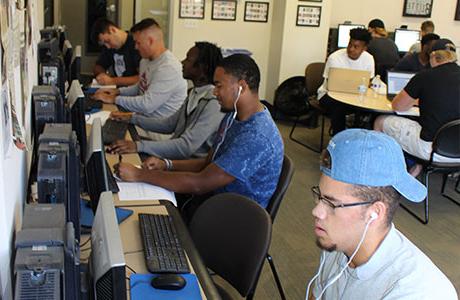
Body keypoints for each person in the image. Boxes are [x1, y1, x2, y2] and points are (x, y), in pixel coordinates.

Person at [113, 54, 284, 209]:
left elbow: (200, 183)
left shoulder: (256, 136)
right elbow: (208, 163)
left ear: (242, 87)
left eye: (219, 86)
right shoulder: (233, 116)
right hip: (214, 198)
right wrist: (166, 164)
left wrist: (139, 174)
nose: (214, 92)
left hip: (233, 216)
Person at [306, 129, 457, 300]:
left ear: (375, 213)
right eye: (320, 196)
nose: (316, 211)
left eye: (331, 203)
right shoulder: (338, 242)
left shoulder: (417, 292)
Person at [107, 41, 225, 160]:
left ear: (202, 68)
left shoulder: (213, 103)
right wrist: (131, 118)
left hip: (186, 165)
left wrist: (138, 146)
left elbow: (186, 147)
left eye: (188, 60)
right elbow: (169, 125)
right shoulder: (194, 92)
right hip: (174, 157)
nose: (182, 63)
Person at [374, 39, 460, 176]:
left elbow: (398, 106)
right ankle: (416, 169)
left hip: (431, 149)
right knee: (426, 125)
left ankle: (379, 172)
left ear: (432, 56)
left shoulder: (425, 76)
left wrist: (417, 100)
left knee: (380, 121)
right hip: (456, 152)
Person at [93, 18, 187, 120]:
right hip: (142, 118)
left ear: (150, 41)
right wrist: (117, 91)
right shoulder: (145, 61)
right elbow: (140, 87)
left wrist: (113, 99)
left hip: (157, 129)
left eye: (138, 43)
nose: (136, 47)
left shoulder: (168, 67)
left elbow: (147, 105)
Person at [318, 28, 374, 136]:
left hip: (355, 96)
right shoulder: (335, 58)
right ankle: (339, 140)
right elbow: (331, 85)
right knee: (339, 107)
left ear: (364, 48)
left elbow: (368, 82)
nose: (351, 49)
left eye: (356, 47)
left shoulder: (369, 59)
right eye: (350, 44)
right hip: (329, 95)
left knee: (368, 109)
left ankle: (358, 140)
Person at [91, 18, 141, 86]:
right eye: (104, 44)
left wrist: (113, 81)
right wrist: (102, 75)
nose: (108, 47)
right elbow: (98, 66)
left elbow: (142, 78)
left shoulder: (136, 44)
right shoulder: (109, 47)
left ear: (113, 30)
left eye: (107, 41)